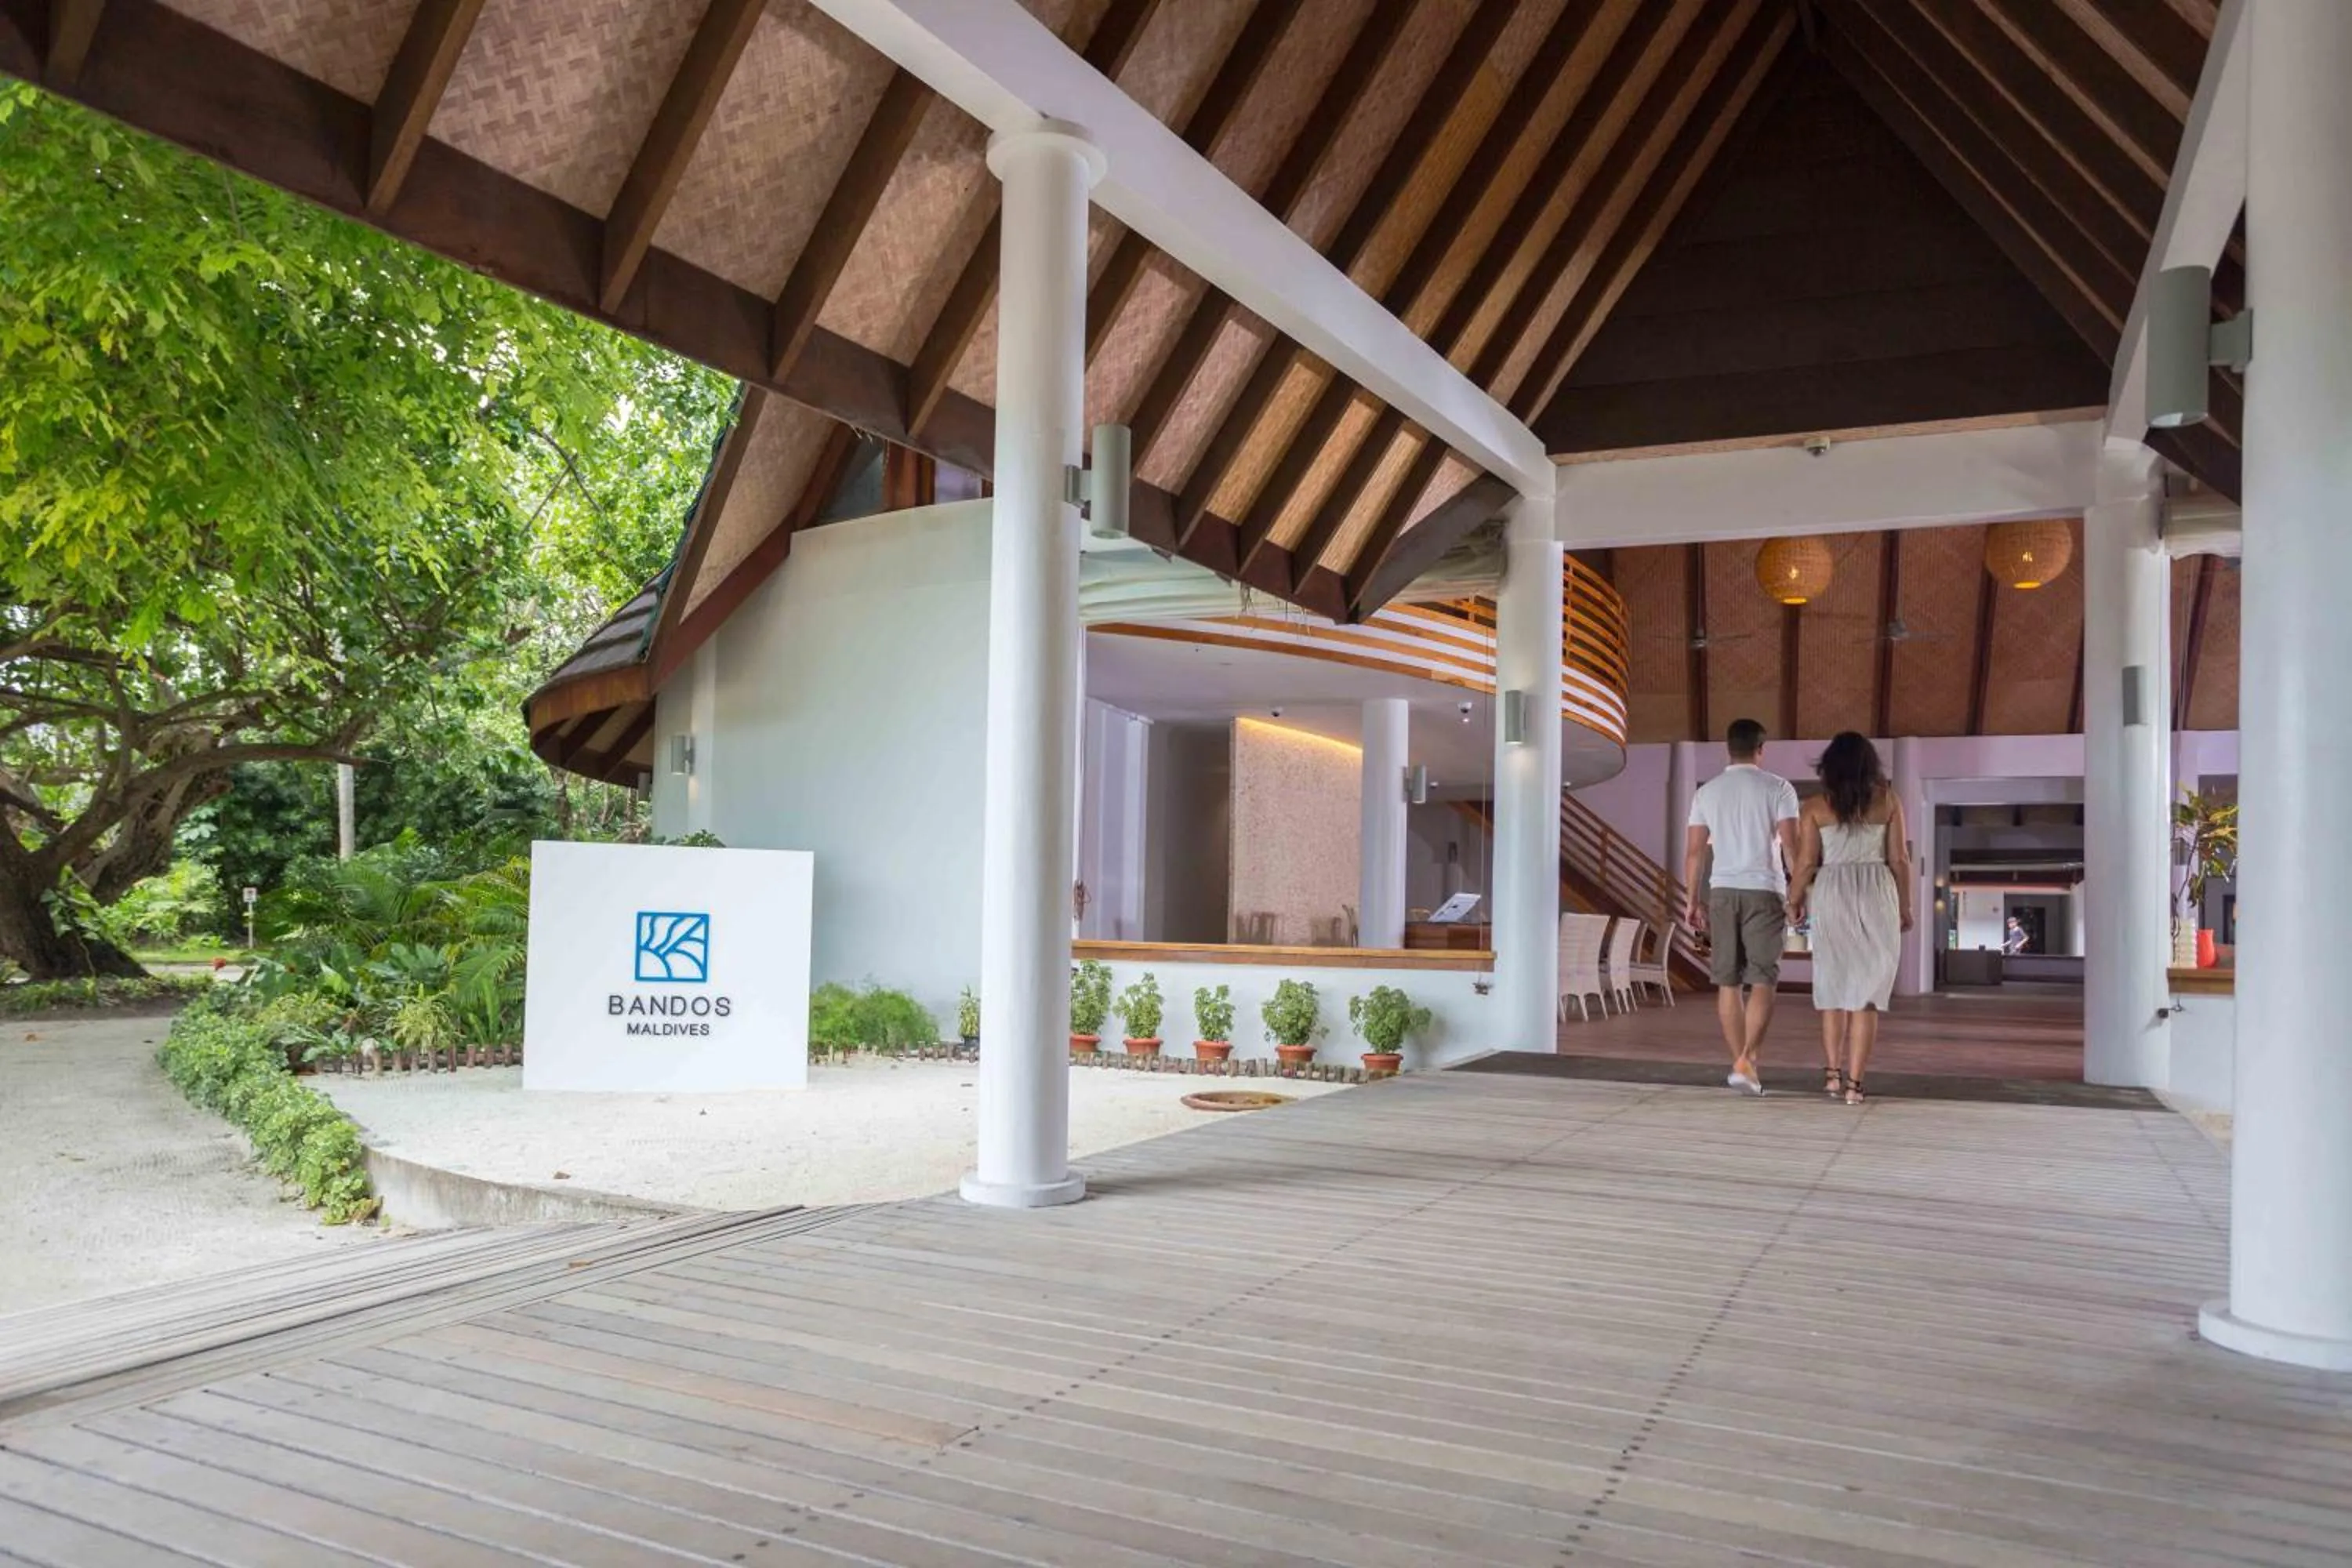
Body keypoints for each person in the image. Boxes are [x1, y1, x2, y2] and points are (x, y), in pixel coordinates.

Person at [1785, 732, 1914, 1105]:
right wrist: (1905, 906)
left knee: (1833, 987)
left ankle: (1832, 1077)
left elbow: (1806, 862)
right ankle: (1855, 1086)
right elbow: (1899, 860)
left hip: (1833, 891)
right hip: (1877, 891)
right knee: (1867, 994)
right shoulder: (1888, 800)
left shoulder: (1815, 806)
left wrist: (1794, 900)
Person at [1683, 718, 1800, 1094]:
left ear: (1728, 749)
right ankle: (1748, 1061)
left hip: (1722, 891)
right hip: (1765, 891)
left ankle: (1741, 1064)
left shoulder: (1707, 793)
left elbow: (1695, 853)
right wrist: (1797, 895)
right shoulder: (1778, 788)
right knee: (1763, 978)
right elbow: (1792, 848)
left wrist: (1692, 900)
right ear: (1761, 749)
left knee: (1728, 981)